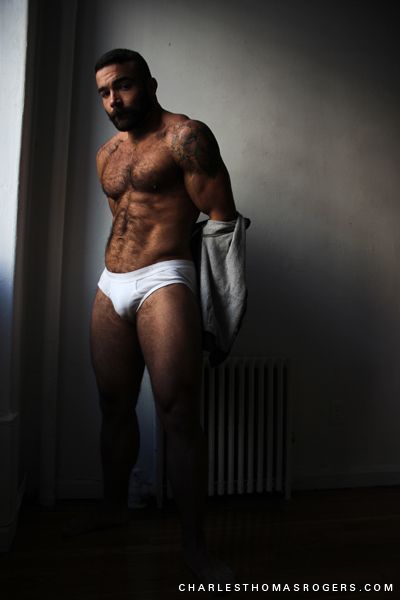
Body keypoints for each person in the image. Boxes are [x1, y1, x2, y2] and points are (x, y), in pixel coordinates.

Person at [69, 48, 240, 584]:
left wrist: (214, 302)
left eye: (122, 85)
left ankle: (195, 549)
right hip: (111, 284)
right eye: (104, 92)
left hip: (164, 279)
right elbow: (124, 218)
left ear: (150, 83)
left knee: (179, 413)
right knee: (113, 406)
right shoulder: (108, 153)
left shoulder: (186, 137)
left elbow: (222, 217)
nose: (113, 100)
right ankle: (112, 509)